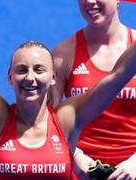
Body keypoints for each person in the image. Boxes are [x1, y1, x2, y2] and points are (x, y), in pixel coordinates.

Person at [0, 39, 136, 180]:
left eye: (39, 70)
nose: (30, 77)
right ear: (10, 77)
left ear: (53, 77)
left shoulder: (67, 119)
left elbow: (117, 76)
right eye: (21, 70)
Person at [52, 0, 136, 179]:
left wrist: (135, 163)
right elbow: (47, 122)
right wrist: (76, 157)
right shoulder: (62, 55)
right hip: (82, 171)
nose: (90, 1)